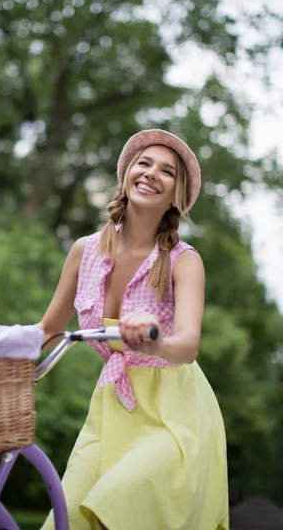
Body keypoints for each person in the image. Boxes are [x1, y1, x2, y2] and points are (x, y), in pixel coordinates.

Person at [39, 129, 229, 530]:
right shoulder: (84, 251)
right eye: (144, 163)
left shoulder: (183, 261)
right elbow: (48, 329)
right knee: (68, 516)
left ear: (177, 195)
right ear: (126, 174)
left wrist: (155, 337)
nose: (151, 173)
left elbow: (188, 345)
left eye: (167, 171)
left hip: (175, 415)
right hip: (110, 408)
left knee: (119, 502)